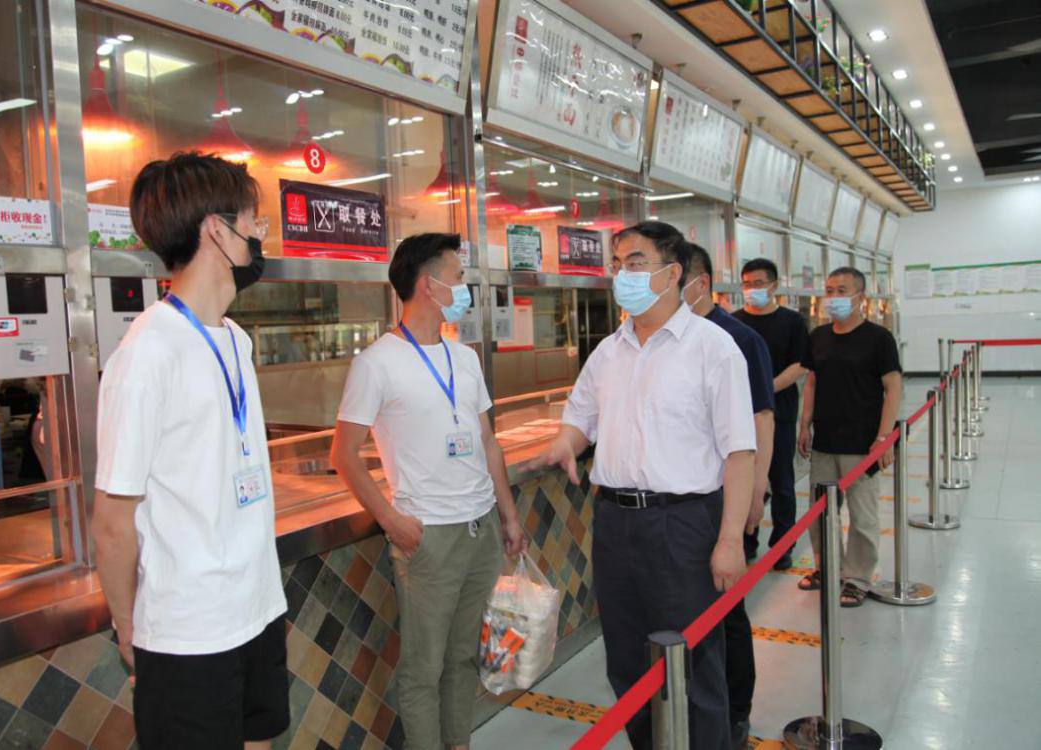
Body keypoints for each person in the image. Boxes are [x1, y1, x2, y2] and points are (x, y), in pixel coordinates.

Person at [531, 222, 755, 750]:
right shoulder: (610, 351)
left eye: (634, 263)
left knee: (693, 662)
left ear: (672, 274)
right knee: (628, 660)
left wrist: (729, 540)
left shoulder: (713, 348)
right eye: (617, 265)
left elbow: (739, 452)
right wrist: (566, 442)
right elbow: (580, 416)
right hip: (615, 521)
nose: (621, 275)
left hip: (683, 523)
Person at [92, 152, 288, 749]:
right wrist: (130, 629)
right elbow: (112, 521)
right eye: (252, 221)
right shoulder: (146, 353)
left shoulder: (237, 340)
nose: (259, 235)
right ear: (216, 231)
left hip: (257, 608)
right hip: (187, 633)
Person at [330, 233, 525, 750]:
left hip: (480, 527)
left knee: (463, 658)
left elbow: (487, 440)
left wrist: (508, 516)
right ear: (428, 285)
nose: (464, 288)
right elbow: (344, 454)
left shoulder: (464, 358)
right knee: (424, 668)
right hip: (429, 537)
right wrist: (392, 521)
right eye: (458, 277)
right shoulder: (377, 363)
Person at [683, 243, 774, 750]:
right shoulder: (668, 338)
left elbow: (762, 418)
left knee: (728, 610)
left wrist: (756, 489)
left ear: (697, 282)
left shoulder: (739, 338)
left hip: (728, 495)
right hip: (687, 504)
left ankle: (737, 711)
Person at [797, 267, 902, 607]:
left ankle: (857, 578)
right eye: (829, 290)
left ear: (860, 297)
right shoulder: (818, 336)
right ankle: (826, 566)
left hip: (862, 444)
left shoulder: (879, 339)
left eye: (841, 291)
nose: (833, 297)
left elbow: (893, 387)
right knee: (819, 512)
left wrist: (884, 437)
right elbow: (812, 381)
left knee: (862, 516)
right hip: (825, 442)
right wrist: (805, 423)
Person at [733, 258, 810, 569]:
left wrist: (765, 389)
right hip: (741, 417)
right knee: (743, 479)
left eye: (758, 283)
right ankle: (746, 540)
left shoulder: (792, 322)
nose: (752, 289)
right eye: (747, 284)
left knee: (781, 480)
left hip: (780, 413)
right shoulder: (734, 323)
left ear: (774, 285)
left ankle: (783, 544)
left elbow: (800, 365)